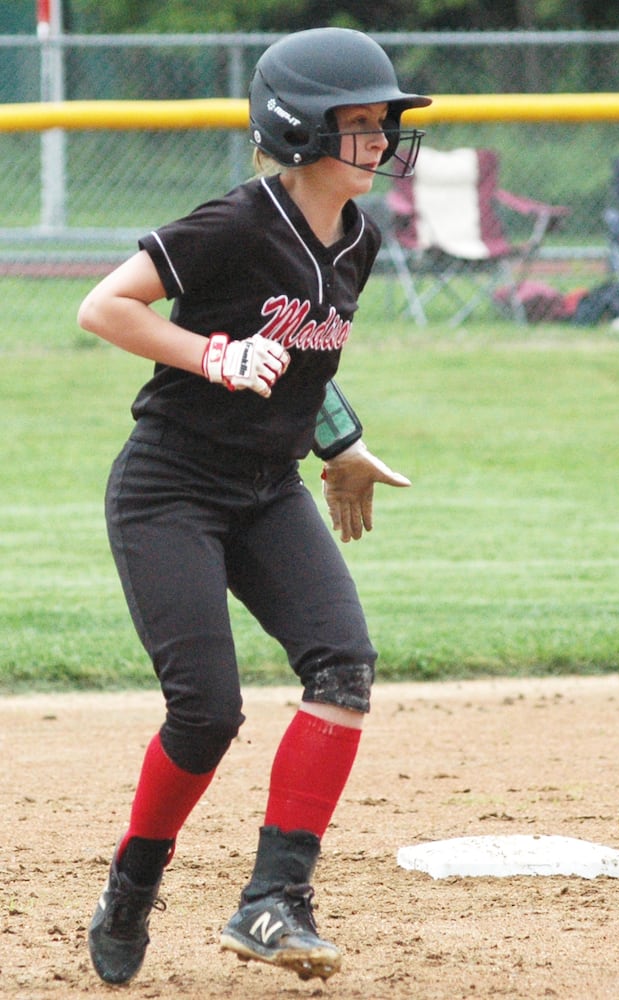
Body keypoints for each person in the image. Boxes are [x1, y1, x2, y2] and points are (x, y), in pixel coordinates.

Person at [76, 28, 430, 986]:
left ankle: (275, 900)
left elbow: (311, 363)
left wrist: (343, 446)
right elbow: (104, 307)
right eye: (360, 124)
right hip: (169, 488)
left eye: (383, 123)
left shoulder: (357, 238)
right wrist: (212, 354)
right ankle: (134, 883)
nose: (383, 141)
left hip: (268, 490)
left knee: (344, 667)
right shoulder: (237, 223)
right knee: (207, 713)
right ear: (303, 129)